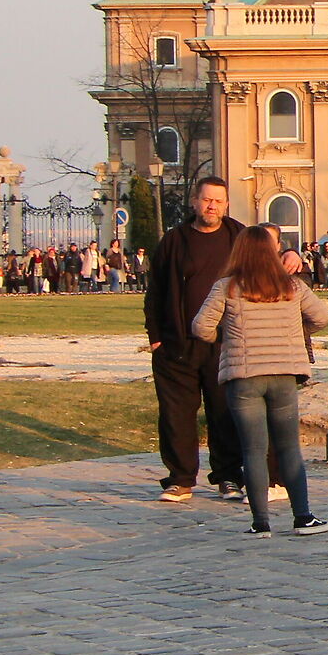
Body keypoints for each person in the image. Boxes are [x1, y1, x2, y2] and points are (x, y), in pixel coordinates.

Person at [187, 224, 328, 537]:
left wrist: (224, 337)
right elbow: (321, 317)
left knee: (253, 450)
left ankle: (260, 522)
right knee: (288, 448)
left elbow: (200, 327)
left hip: (243, 377)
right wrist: (295, 332)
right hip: (283, 374)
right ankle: (303, 517)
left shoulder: (227, 287)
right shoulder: (291, 286)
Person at [143, 177, 246, 503]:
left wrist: (291, 259)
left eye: (218, 200)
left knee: (224, 413)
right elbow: (155, 291)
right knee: (176, 415)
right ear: (194, 201)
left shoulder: (239, 237)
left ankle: (228, 477)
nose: (211, 206)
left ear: (226, 204)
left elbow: (266, 267)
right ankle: (180, 479)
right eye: (206, 199)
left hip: (224, 343)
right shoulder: (175, 241)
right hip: (177, 344)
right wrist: (156, 337)